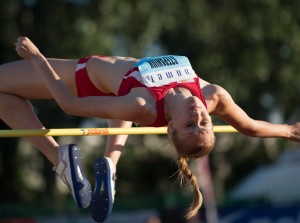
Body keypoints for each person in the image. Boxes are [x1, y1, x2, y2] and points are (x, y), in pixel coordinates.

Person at [2, 36, 300, 222]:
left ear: (171, 127)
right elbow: (249, 126)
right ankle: (108, 164)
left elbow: (68, 104)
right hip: (118, 94)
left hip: (84, 77)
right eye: (204, 123)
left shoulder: (144, 104)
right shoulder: (212, 96)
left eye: (189, 125)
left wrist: (36, 57)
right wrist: (289, 131)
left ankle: (60, 158)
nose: (197, 115)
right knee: (121, 104)